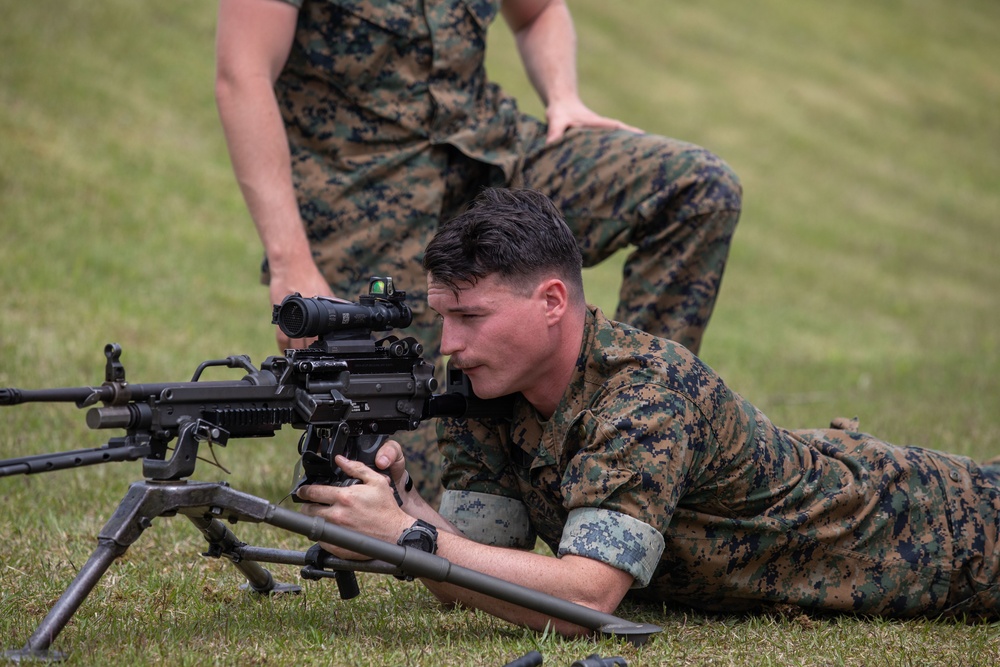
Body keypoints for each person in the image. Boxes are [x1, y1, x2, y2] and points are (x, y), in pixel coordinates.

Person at [295, 187, 1000, 636]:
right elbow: (479, 572)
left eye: (472, 316)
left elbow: (585, 598)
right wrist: (399, 508)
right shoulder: (483, 382)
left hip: (927, 532)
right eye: (445, 317)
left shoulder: (642, 395)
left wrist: (411, 539)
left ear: (551, 303)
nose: (450, 342)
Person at [214, 0, 743, 502]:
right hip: (364, 195)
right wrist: (289, 261)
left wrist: (564, 96)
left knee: (698, 187)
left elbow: (538, 12)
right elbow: (242, 75)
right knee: (394, 489)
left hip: (495, 156)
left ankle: (633, 426)